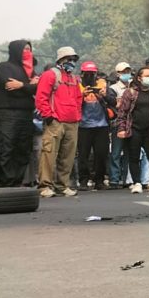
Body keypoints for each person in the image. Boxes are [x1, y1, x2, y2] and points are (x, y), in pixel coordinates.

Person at [34, 46, 84, 198]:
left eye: (74, 59)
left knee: (67, 156)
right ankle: (45, 186)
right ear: (61, 60)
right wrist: (48, 115)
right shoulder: (50, 75)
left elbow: (78, 98)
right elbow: (41, 97)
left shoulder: (74, 78)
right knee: (49, 154)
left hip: (72, 121)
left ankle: (62, 185)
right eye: (69, 59)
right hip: (56, 120)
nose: (72, 62)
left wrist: (78, 115)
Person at [0, 40, 40, 187]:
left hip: (26, 115)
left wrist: (23, 85)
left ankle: (17, 182)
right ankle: (4, 183)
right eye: (24, 49)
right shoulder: (4, 67)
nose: (28, 52)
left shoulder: (30, 71)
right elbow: (10, 87)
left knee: (23, 149)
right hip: (6, 115)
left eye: (29, 49)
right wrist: (30, 86)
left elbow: (37, 89)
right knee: (5, 149)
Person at [116, 66, 149, 194]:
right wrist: (121, 128)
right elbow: (123, 112)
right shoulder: (130, 92)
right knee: (134, 157)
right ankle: (137, 183)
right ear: (139, 78)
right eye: (147, 76)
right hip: (134, 129)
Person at [77, 61, 114, 191]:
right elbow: (72, 103)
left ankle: (99, 180)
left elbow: (113, 102)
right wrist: (82, 96)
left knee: (101, 154)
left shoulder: (103, 85)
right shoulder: (77, 86)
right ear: (81, 74)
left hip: (101, 125)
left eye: (92, 74)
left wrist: (103, 95)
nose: (90, 76)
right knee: (83, 155)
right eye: (87, 74)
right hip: (83, 126)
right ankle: (83, 180)